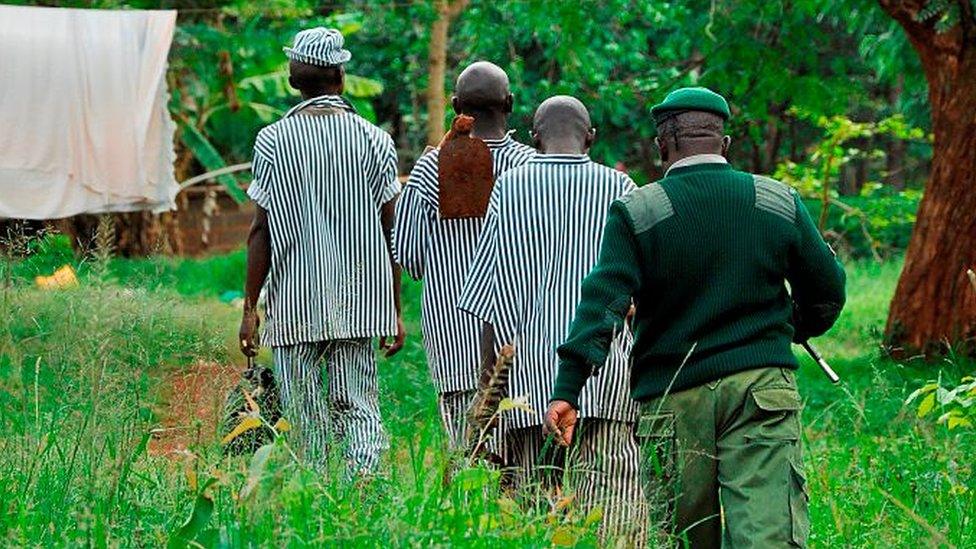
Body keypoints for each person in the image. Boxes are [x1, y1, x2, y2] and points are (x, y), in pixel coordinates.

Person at [545, 87, 847, 547]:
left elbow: (602, 303)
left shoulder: (638, 211)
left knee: (683, 538)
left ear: (662, 146)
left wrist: (569, 388)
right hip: (760, 389)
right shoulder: (776, 200)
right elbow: (828, 289)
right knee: (768, 535)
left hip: (672, 397)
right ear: (723, 144)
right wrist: (790, 325)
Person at [458, 96, 645, 540]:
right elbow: (641, 293)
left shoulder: (511, 186)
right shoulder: (621, 189)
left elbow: (489, 295)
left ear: (535, 138)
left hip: (528, 378)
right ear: (592, 137)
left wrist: (490, 392)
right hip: (607, 374)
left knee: (534, 511)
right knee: (613, 505)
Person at [238, 27, 405, 477]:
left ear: (294, 77)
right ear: (340, 76)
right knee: (358, 403)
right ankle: (365, 480)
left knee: (306, 415)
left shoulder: (273, 141)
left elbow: (261, 232)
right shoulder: (375, 140)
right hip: (363, 300)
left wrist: (250, 309)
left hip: (295, 301)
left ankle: (318, 495)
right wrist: (393, 305)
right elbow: (393, 231)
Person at [394, 61, 534, 450]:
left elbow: (409, 257)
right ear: (509, 103)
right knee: (526, 468)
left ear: (456, 106)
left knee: (468, 456)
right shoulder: (532, 166)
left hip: (453, 346)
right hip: (523, 346)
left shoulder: (429, 168)